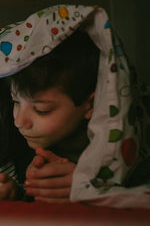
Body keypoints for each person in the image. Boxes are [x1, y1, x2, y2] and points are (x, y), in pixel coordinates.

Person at [9, 30, 100, 203]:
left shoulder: (112, 146)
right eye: (16, 101)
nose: (19, 122)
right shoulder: (17, 142)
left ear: (90, 106)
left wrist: (92, 187)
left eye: (42, 110)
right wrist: (16, 192)